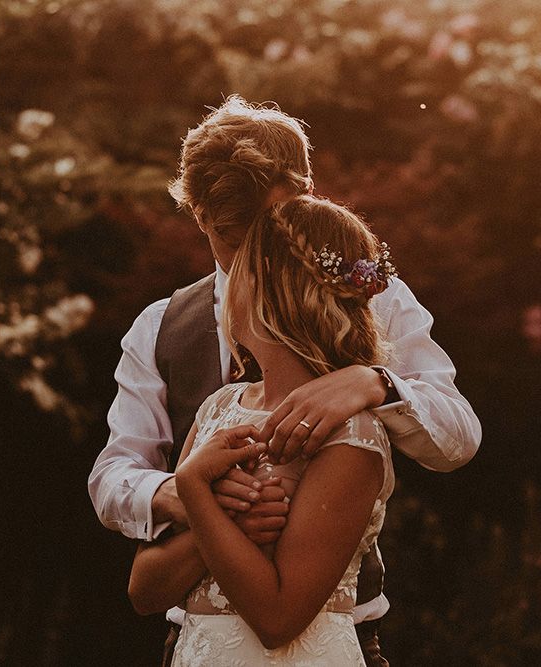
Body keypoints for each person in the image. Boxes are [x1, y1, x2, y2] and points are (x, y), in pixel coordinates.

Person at [88, 96, 481, 665]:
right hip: (199, 639)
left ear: (304, 197)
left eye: (270, 230)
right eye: (232, 237)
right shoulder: (162, 328)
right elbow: (113, 475)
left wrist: (379, 385)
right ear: (198, 216)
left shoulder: (368, 293)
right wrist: (194, 495)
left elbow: (460, 437)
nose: (256, 258)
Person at [131, 195, 398, 665]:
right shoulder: (220, 407)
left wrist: (194, 484)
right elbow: (144, 590)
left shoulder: (347, 433)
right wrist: (221, 515)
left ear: (269, 289)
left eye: (241, 270)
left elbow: (277, 619)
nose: (226, 284)